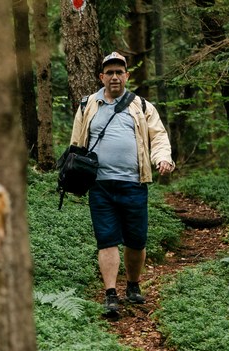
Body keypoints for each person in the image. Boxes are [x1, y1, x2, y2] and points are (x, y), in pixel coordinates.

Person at [68, 51, 175, 317]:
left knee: (136, 241)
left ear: (127, 76)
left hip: (134, 184)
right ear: (101, 76)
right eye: (110, 72)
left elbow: (158, 136)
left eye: (119, 72)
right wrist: (72, 175)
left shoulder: (142, 106)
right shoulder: (87, 105)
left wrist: (162, 158)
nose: (114, 77)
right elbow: (76, 144)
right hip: (100, 185)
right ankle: (111, 294)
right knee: (106, 240)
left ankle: (133, 285)